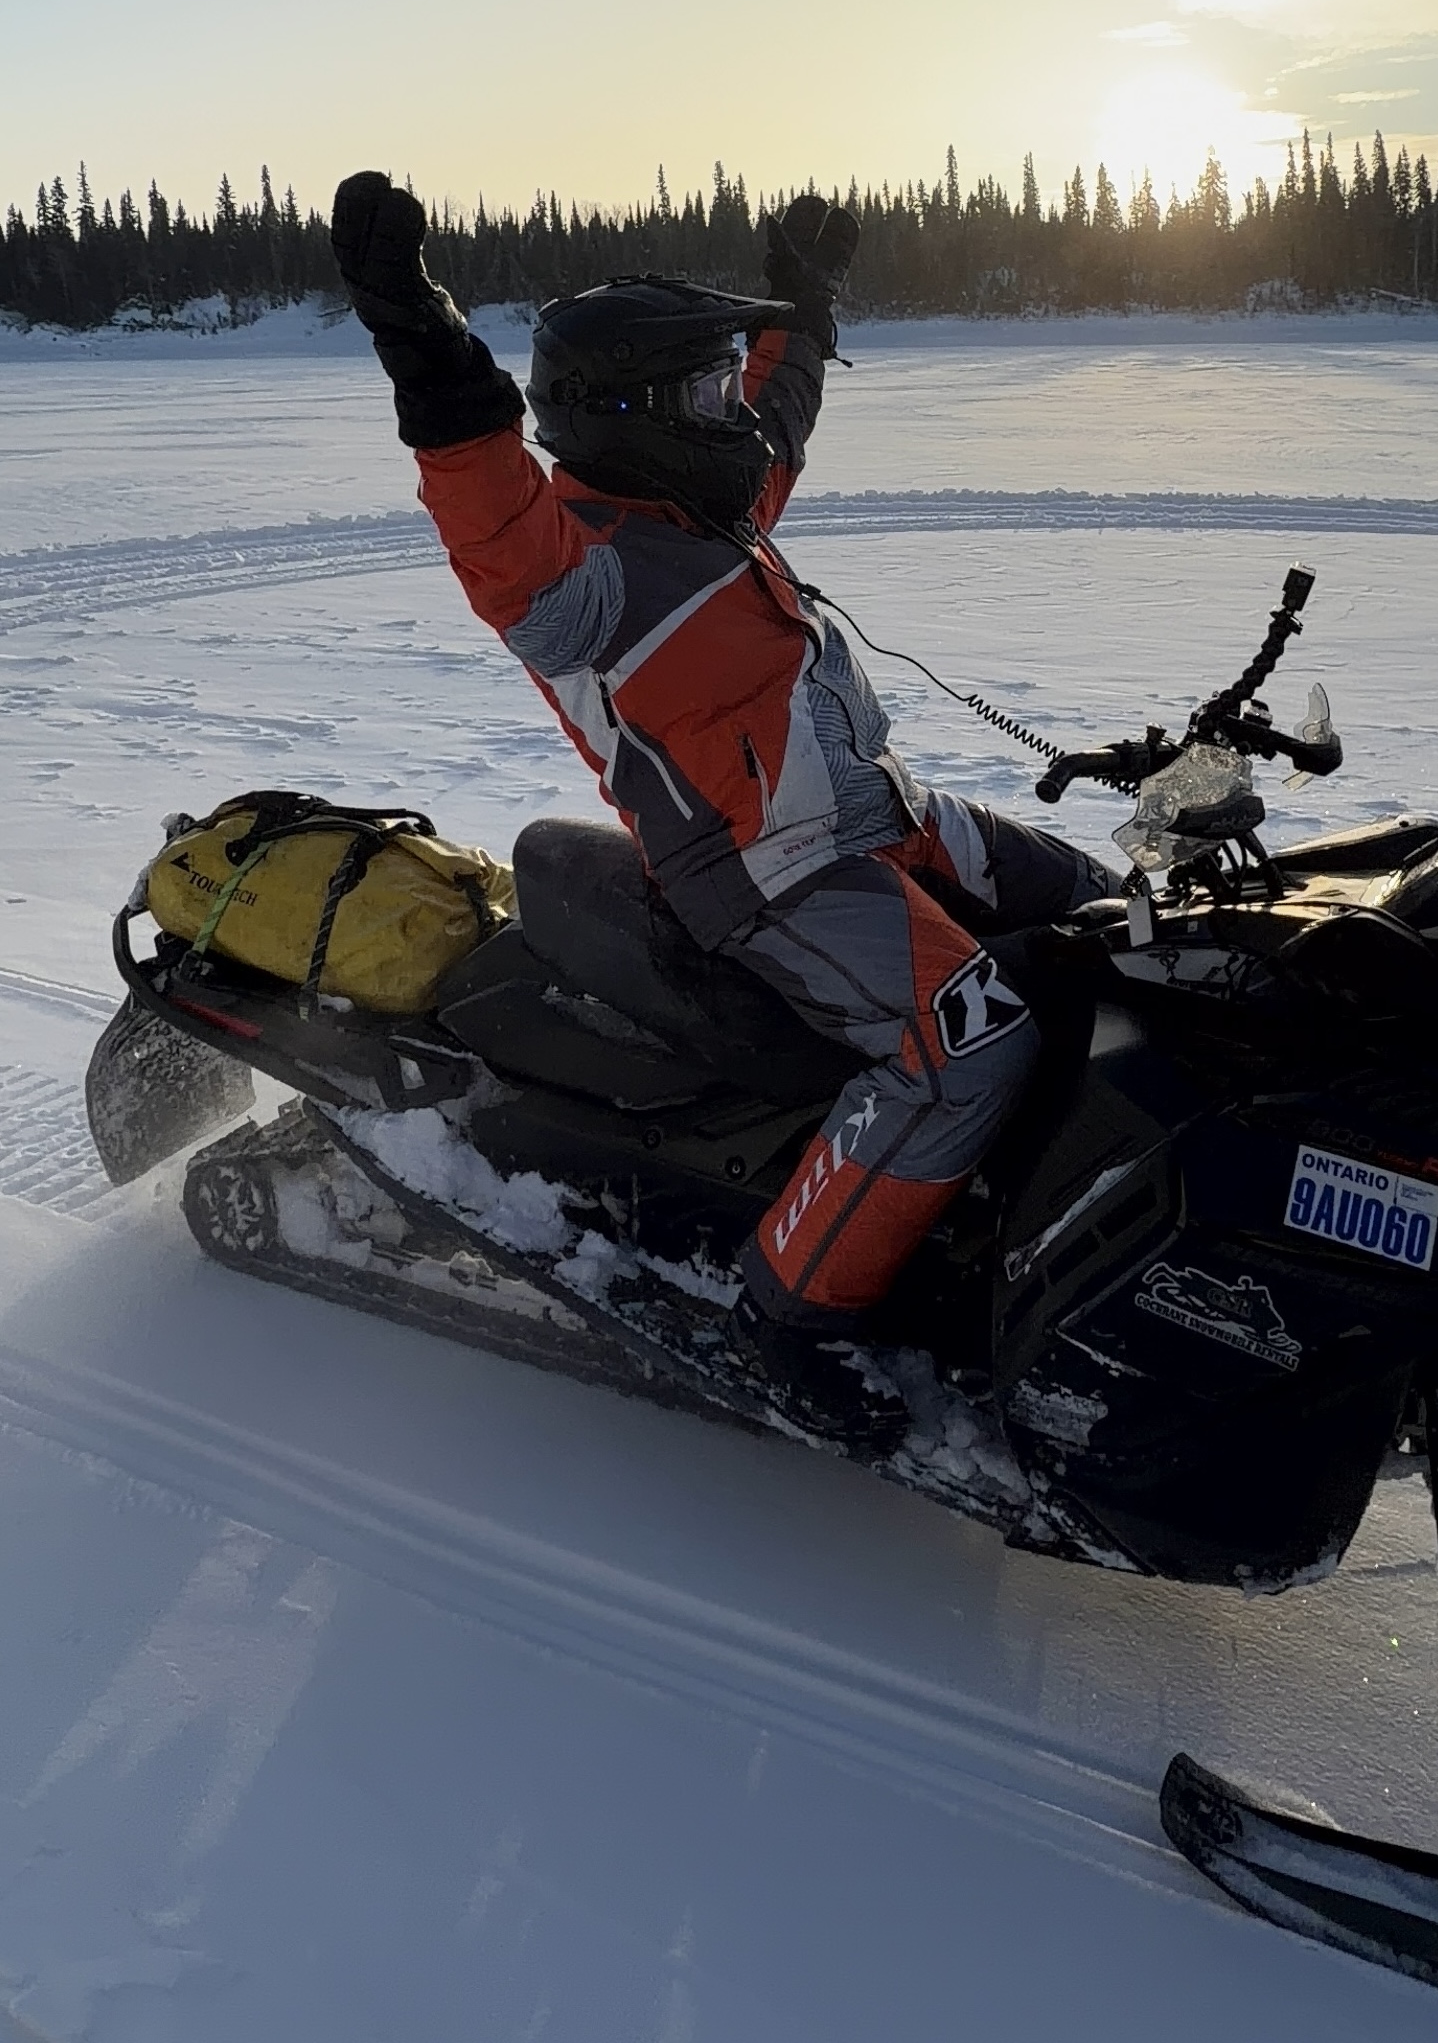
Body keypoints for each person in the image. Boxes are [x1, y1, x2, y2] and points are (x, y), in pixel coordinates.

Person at [330, 171, 1118, 1441]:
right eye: (699, 394)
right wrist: (415, 330)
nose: (729, 415)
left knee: (1116, 911)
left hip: (877, 812)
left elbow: (779, 411)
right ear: (629, 412)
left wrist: (801, 296)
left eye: (716, 387)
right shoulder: (579, 576)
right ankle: (788, 1309)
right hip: (769, 871)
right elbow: (487, 505)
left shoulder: (707, 501)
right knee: (965, 1042)